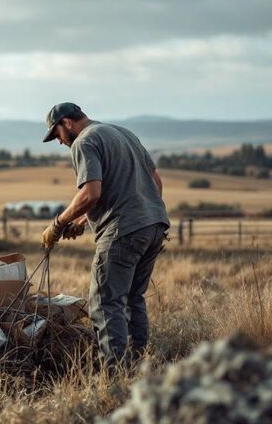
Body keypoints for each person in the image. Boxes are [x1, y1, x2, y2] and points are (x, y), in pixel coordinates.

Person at [40, 102, 169, 366]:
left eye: (56, 135)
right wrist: (84, 221)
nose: (59, 142)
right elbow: (156, 182)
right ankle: (138, 362)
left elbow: (91, 193)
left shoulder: (84, 142)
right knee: (133, 298)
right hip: (154, 225)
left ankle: (115, 375)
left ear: (66, 123)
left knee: (105, 302)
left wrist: (58, 224)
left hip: (123, 232)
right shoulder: (122, 133)